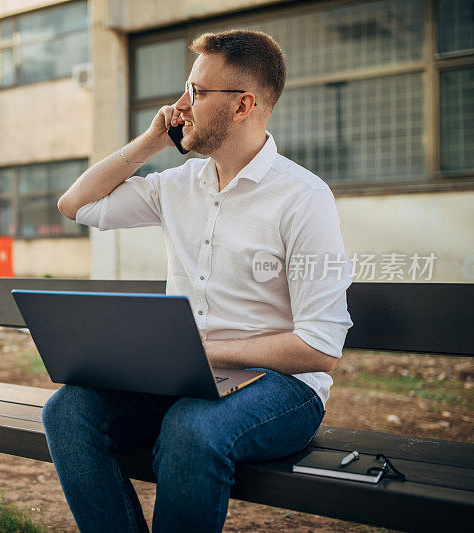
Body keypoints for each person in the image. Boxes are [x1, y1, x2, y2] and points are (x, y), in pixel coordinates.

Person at [43, 30, 353, 532]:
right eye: (187, 89)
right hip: (187, 375)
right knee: (69, 410)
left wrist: (204, 351)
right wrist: (149, 142)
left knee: (191, 428)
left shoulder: (303, 198)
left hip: (284, 389)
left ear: (242, 106)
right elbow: (76, 206)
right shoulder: (178, 186)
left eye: (198, 92)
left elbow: (319, 348)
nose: (181, 105)